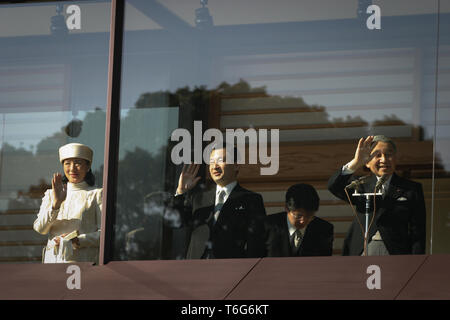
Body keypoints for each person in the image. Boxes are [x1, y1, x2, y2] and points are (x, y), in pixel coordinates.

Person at [328, 135, 426, 256]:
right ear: (367, 162)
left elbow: (418, 231)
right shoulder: (360, 185)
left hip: (396, 252)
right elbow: (333, 186)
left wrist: (416, 261)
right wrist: (356, 162)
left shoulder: (411, 189)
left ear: (395, 158)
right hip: (361, 249)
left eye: (388, 154)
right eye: (377, 155)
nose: (384, 160)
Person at [173, 144, 267, 259]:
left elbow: (256, 243)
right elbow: (177, 222)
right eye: (212, 162)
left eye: (221, 160)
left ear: (236, 165)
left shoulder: (251, 200)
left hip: (231, 271)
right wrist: (181, 192)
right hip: (195, 268)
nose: (215, 166)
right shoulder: (199, 197)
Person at [33, 143, 102, 264]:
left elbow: (104, 235)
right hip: (53, 262)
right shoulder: (51, 194)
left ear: (88, 166)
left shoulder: (96, 194)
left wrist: (78, 240)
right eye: (67, 163)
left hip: (84, 263)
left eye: (78, 163)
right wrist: (56, 205)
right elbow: (40, 229)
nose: (72, 168)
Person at [265, 183, 334, 257]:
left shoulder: (324, 230)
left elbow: (323, 262)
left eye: (309, 216)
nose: (303, 221)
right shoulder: (268, 225)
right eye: (298, 216)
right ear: (286, 208)